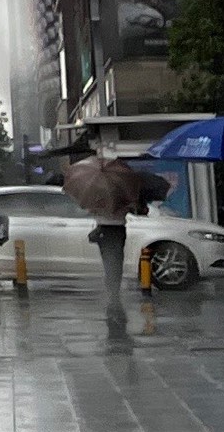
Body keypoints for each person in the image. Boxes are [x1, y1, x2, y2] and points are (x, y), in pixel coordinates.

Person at [59, 143, 172, 339]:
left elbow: (91, 209)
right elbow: (135, 210)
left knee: (110, 261)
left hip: (104, 231)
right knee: (114, 261)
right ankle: (113, 293)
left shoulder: (97, 195)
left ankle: (112, 291)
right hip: (115, 231)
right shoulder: (121, 194)